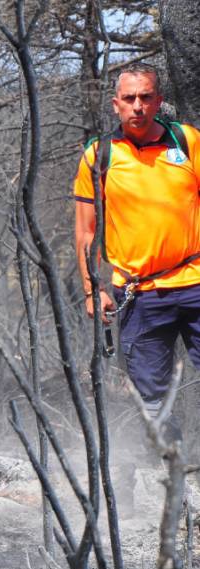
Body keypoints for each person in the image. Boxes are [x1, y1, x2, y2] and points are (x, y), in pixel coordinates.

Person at [74, 64, 200, 438]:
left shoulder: (187, 142)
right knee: (152, 399)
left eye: (146, 97)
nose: (138, 106)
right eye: (129, 98)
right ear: (116, 104)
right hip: (139, 293)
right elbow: (86, 231)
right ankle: (172, 467)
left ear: (159, 101)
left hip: (195, 282)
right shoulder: (99, 155)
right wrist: (91, 288)